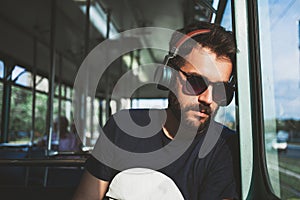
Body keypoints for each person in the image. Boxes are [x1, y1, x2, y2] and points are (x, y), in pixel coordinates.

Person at [74, 21, 239, 200]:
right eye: (196, 82)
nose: (207, 99)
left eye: (220, 90)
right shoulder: (120, 128)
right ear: (168, 75)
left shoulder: (226, 149)